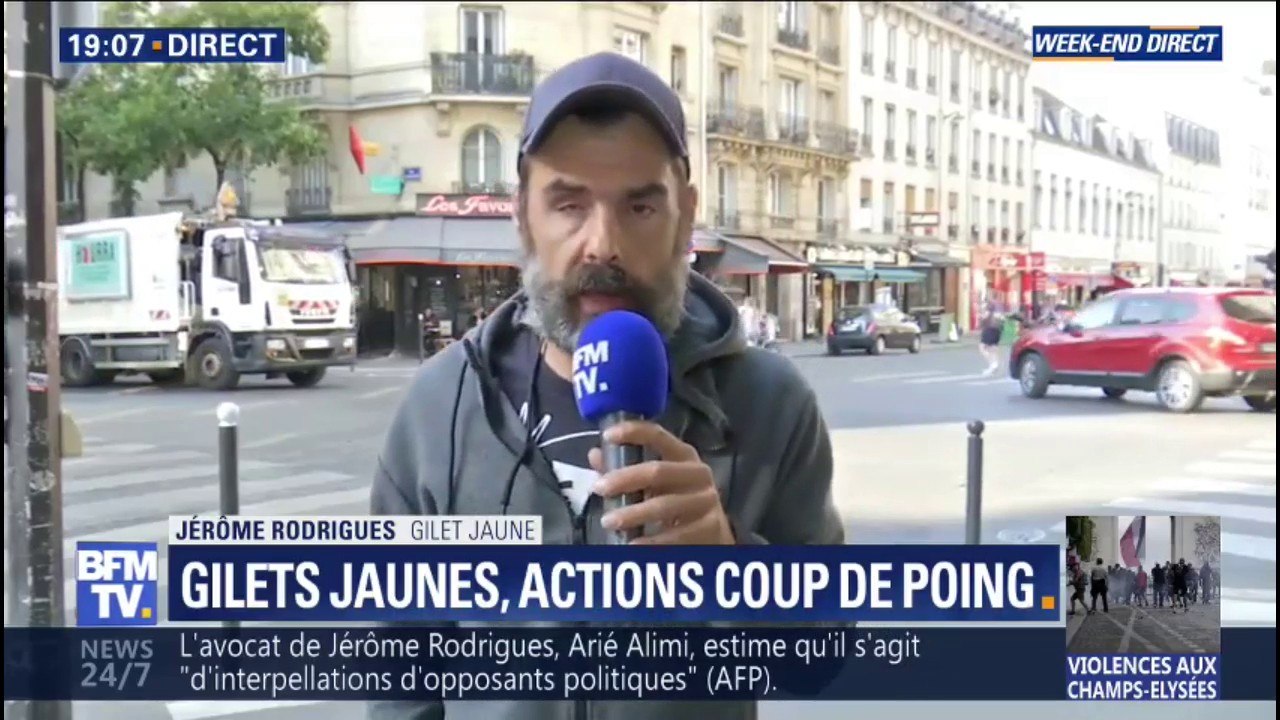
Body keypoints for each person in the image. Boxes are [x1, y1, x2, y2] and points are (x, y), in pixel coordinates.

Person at [368, 51, 843, 720]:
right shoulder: (438, 407)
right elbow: (399, 678)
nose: (603, 246)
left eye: (641, 206)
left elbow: (821, 660)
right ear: (522, 216)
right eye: (568, 203)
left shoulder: (772, 403)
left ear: (685, 216)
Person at [977, 302, 1004, 376]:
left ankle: (993, 364)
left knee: (982, 347)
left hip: (989, 330)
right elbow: (1002, 322)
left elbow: (982, 321)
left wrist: (980, 317)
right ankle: (994, 366)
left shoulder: (987, 313)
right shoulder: (998, 314)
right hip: (997, 332)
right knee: (993, 349)